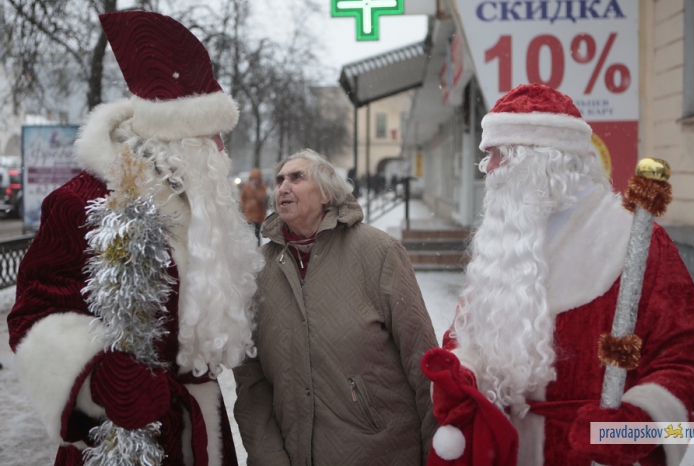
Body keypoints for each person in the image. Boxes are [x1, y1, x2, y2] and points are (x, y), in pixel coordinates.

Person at [7, 11, 262, 466]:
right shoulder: (85, 201)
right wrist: (98, 381)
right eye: (211, 135)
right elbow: (33, 312)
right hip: (118, 432)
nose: (221, 148)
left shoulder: (203, 210)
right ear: (176, 139)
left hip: (199, 427)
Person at [421, 83, 694, 466]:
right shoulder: (504, 242)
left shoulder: (633, 240)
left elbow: (688, 362)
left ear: (544, 160)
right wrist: (462, 372)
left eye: (500, 154)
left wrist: (630, 431)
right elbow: (465, 333)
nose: (490, 168)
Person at [233, 149, 438, 465]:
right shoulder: (258, 270)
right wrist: (268, 457)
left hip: (381, 453)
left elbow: (422, 360)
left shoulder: (379, 252)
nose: (283, 187)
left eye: (297, 177)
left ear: (326, 194)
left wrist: (435, 453)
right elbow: (251, 382)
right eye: (280, 180)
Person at [240, 167, 268, 245]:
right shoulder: (247, 187)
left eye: (257, 178)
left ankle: (257, 247)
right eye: (253, 178)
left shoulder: (262, 187)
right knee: (248, 233)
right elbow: (242, 198)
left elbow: (261, 197)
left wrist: (255, 189)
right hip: (248, 214)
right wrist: (242, 207)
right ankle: (249, 247)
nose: (255, 180)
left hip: (258, 215)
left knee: (257, 234)